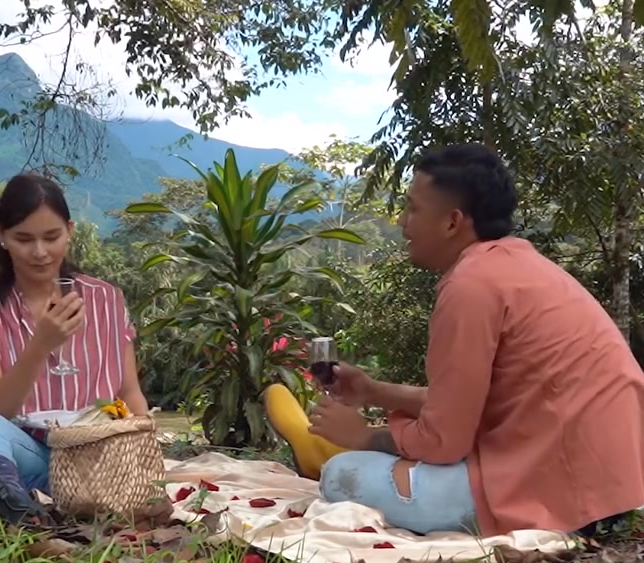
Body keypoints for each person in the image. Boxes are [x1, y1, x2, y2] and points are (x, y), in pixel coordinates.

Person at [264, 143, 644, 537]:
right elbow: (471, 404)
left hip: (557, 493)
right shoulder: (518, 265)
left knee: (342, 475)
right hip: (610, 490)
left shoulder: (471, 286)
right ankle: (337, 449)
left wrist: (363, 436)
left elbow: (445, 442)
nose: (402, 221)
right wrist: (374, 391)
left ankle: (325, 455)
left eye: (413, 208)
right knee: (388, 457)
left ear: (452, 222)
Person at [0, 172, 149, 527]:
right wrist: (40, 345)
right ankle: (10, 502)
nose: (41, 252)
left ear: (70, 231)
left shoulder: (105, 299)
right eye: (24, 239)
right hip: (31, 453)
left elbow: (128, 391)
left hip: (98, 460)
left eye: (52, 237)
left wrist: (145, 460)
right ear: (2, 237)